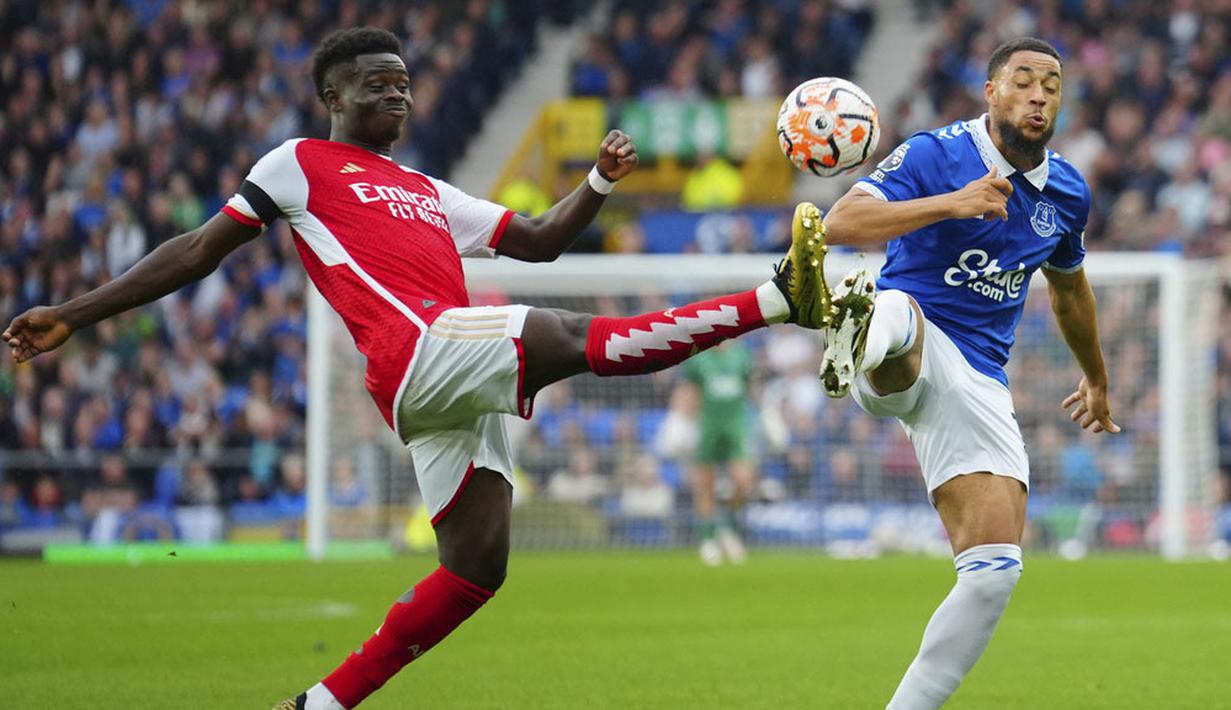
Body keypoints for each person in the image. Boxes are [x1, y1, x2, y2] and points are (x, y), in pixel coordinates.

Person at [3, 27, 830, 710]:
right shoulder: (297, 162)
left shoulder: (427, 190)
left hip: (440, 381)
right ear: (332, 96)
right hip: (421, 350)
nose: (396, 95)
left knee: (475, 570)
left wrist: (596, 183)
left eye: (402, 85)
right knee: (569, 334)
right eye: (375, 84)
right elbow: (196, 250)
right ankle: (775, 299)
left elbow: (539, 240)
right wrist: (74, 313)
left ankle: (320, 704)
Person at [817, 37, 1119, 709]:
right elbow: (841, 221)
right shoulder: (937, 153)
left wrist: (1096, 378)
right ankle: (858, 335)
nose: (1038, 96)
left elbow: (1070, 291)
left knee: (993, 573)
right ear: (990, 92)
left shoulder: (1068, 192)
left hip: (977, 377)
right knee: (894, 309)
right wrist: (950, 203)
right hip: (910, 338)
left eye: (1051, 86)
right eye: (1023, 81)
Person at [676, 338, 757, 565]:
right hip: (707, 426)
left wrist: (765, 414)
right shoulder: (698, 359)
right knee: (705, 484)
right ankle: (707, 538)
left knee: (743, 480)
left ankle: (728, 527)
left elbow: (750, 389)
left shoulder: (742, 356)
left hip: (736, 426)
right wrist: (681, 421)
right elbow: (688, 392)